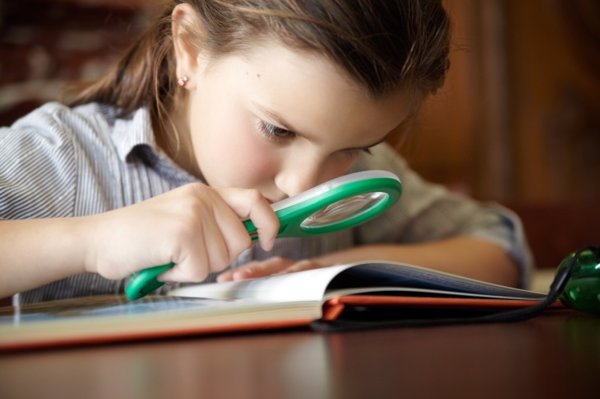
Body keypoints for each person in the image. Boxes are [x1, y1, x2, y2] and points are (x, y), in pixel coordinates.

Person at [0, 0, 531, 304]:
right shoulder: (65, 158)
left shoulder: (361, 180)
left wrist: (338, 270)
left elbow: (499, 248)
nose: (307, 184)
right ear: (191, 47)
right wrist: (91, 242)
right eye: (278, 130)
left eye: (353, 147)